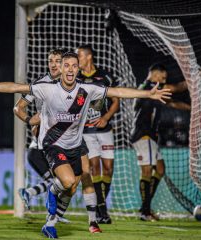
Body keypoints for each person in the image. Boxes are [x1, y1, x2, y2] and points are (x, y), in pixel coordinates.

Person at [0, 52, 171, 238]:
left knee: (71, 188)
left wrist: (148, 93)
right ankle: (53, 196)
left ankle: (50, 223)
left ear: (78, 68)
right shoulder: (47, 88)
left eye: (73, 66)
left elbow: (118, 92)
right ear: (60, 69)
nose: (70, 69)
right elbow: (15, 87)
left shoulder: (87, 89)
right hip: (53, 144)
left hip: (76, 145)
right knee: (68, 181)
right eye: (66, 65)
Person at [14, 49, 72, 224]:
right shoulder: (40, 84)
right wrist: (31, 120)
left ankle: (34, 196)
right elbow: (18, 107)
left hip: (63, 143)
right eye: (50, 61)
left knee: (68, 181)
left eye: (57, 61)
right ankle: (53, 215)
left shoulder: (72, 85)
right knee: (63, 181)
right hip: (41, 147)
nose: (53, 64)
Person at [130, 63, 191, 222]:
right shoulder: (149, 86)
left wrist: (191, 108)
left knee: (160, 168)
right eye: (162, 77)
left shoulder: (152, 93)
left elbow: (171, 103)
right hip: (143, 135)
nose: (164, 80)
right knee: (146, 172)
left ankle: (146, 207)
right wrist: (194, 79)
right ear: (155, 75)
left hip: (150, 137)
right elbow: (176, 88)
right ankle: (145, 211)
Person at [77, 45, 119, 224]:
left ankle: (101, 204)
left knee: (108, 168)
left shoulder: (105, 76)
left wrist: (106, 117)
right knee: (94, 166)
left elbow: (116, 100)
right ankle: (102, 210)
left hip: (105, 130)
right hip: (86, 132)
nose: (76, 59)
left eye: (79, 56)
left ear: (88, 57)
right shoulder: (76, 79)